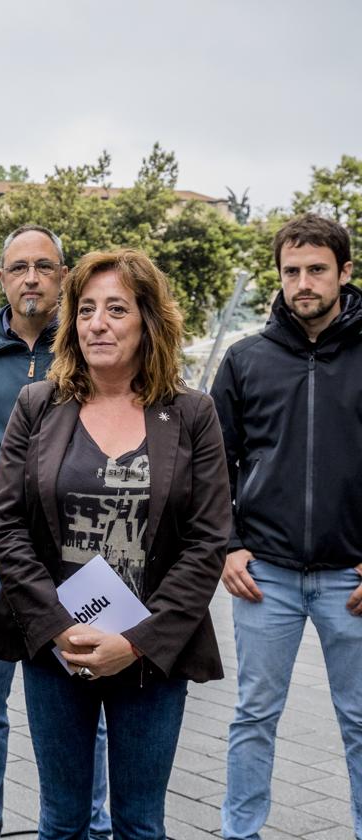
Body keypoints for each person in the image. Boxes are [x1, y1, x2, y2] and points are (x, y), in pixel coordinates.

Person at [0, 248, 231, 839]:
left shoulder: (193, 414)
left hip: (150, 655)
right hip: (57, 647)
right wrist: (57, 625)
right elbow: (6, 525)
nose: (97, 322)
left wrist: (137, 642)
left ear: (148, 321)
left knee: (141, 825)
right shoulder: (38, 405)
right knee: (61, 821)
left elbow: (207, 540)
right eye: (86, 308)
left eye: (116, 308)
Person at [212, 214, 362, 840]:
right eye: (292, 270)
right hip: (264, 575)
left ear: (345, 273)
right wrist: (228, 545)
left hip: (349, 578)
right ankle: (240, 834)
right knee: (253, 716)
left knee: (359, 720)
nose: (303, 283)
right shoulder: (247, 359)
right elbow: (214, 461)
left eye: (317, 270)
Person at [0, 225, 111, 840]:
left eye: (44, 267)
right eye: (19, 267)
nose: (31, 278)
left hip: (72, 559)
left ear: (62, 276)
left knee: (86, 699)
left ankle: (91, 823)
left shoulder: (81, 353)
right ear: (2, 277)